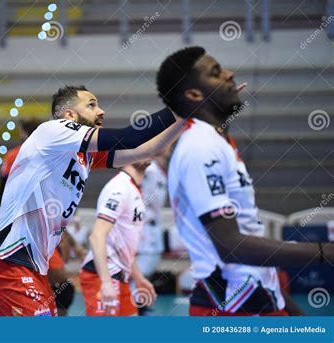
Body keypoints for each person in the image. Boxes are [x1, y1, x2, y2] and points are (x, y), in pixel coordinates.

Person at [157, 46, 333, 316]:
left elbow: (247, 237)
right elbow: (231, 246)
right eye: (216, 73)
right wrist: (324, 252)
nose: (230, 74)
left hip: (256, 295)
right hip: (231, 306)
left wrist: (288, 308)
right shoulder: (200, 148)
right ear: (194, 94)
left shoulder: (220, 143)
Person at [0, 85, 182, 316]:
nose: (101, 111)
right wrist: (181, 105)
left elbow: (148, 149)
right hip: (8, 261)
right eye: (91, 105)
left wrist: (188, 116)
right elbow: (128, 136)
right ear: (69, 115)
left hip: (36, 266)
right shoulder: (52, 131)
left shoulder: (83, 155)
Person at [0, 118, 85, 316]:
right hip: (27, 230)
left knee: (58, 287)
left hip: (38, 228)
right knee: (60, 286)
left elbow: (2, 194)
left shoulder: (19, 155)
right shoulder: (49, 155)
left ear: (24, 132)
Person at [80, 160, 156, 316]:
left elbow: (122, 243)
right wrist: (106, 282)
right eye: (139, 145)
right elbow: (97, 236)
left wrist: (138, 277)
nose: (147, 149)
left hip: (122, 277)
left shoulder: (134, 188)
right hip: (102, 275)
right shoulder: (119, 188)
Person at [133, 146, 172, 315]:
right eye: (167, 145)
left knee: (152, 259)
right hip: (145, 223)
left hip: (154, 223)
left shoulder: (161, 170)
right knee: (145, 262)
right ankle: (133, 300)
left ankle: (139, 299)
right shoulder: (150, 169)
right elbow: (142, 195)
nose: (170, 147)